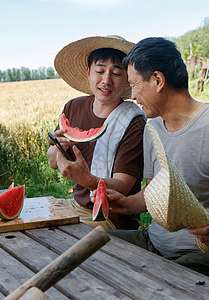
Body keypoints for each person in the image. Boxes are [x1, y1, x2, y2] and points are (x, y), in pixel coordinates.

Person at [107, 37, 209, 287]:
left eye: (134, 85)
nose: (132, 96)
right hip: (154, 243)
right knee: (88, 248)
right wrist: (125, 204)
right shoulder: (151, 128)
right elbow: (154, 193)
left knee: (157, 290)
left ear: (157, 80)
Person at [47, 36, 146, 231]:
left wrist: (87, 179)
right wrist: (58, 149)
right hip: (76, 206)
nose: (106, 80)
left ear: (127, 78)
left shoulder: (134, 121)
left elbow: (123, 186)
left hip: (111, 218)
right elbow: (52, 162)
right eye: (99, 71)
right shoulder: (72, 107)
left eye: (116, 73)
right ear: (88, 73)